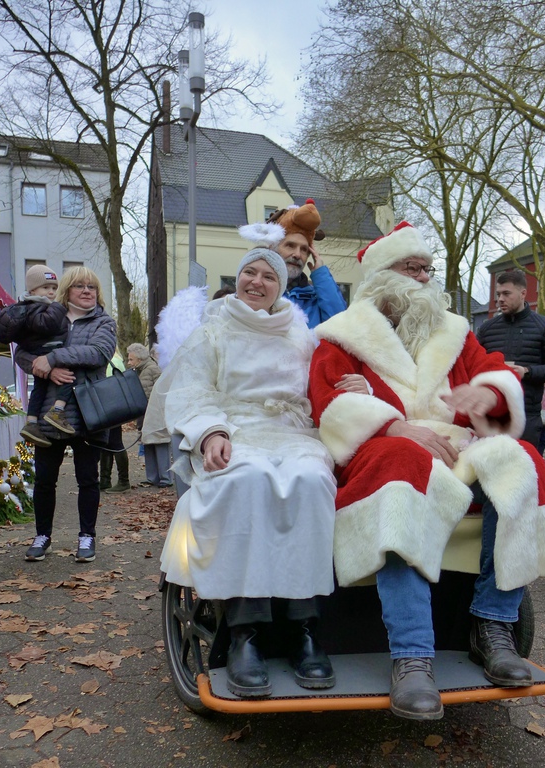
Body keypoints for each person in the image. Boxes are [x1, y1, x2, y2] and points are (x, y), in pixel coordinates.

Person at [308, 221, 545, 721]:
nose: (424, 278)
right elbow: (330, 404)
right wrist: (397, 425)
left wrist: (487, 395)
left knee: (522, 460)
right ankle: (412, 653)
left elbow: (491, 374)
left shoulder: (455, 332)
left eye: (428, 269)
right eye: (412, 268)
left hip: (454, 449)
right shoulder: (341, 336)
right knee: (401, 466)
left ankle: (493, 625)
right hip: (383, 450)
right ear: (382, 275)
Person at [151, 248, 337, 698]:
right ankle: (245, 633)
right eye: (249, 273)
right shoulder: (212, 332)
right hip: (232, 431)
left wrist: (352, 387)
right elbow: (193, 391)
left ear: (280, 286)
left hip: (290, 431)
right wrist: (210, 431)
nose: (257, 281)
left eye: (267, 276)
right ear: (237, 279)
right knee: (246, 480)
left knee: (311, 482)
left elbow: (321, 384)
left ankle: (302, 629)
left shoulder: (300, 335)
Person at [15, 267, 116, 563]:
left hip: (87, 414)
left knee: (88, 479)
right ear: (67, 290)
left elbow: (98, 353)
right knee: (45, 480)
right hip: (48, 415)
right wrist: (41, 364)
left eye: (92, 287)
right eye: (79, 286)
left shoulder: (104, 322)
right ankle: (42, 535)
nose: (87, 291)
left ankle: (87, 537)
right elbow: (22, 351)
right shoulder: (47, 318)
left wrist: (53, 358)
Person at [476, 269, 545, 449]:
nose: (500, 299)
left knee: (524, 471)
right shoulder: (488, 329)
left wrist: (527, 372)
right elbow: (474, 364)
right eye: (498, 294)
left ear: (523, 293)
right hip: (491, 413)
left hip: (527, 414)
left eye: (506, 293)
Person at [0, 265, 75, 446]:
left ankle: (32, 422)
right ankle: (58, 410)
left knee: (39, 389)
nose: (51, 292)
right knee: (68, 377)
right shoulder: (37, 306)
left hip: (40, 350)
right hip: (46, 350)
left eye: (54, 288)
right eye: (46, 288)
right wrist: (58, 307)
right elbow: (45, 324)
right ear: (33, 290)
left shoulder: (29, 306)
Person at [255, 199, 346, 327]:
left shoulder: (316, 299)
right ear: (272, 247)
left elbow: (341, 326)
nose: (297, 255)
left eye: (304, 249)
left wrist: (321, 275)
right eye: (290, 246)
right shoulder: (256, 289)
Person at [127, 343, 171, 488]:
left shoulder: (152, 369)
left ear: (139, 358)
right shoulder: (139, 370)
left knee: (160, 443)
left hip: (156, 412)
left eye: (131, 359)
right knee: (148, 443)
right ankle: (152, 477)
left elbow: (162, 389)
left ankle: (165, 478)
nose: (129, 362)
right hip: (145, 412)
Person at [99, 354, 131, 494]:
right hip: (115, 404)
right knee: (108, 442)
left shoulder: (108, 360)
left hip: (107, 404)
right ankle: (106, 480)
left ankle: (122, 481)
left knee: (114, 442)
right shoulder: (117, 360)